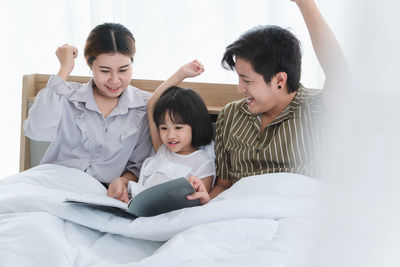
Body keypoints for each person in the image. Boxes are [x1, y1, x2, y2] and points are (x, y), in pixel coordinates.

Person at [187, 0, 348, 204]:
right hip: (235, 217)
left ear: (280, 80)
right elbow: (223, 185)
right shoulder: (230, 116)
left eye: (247, 80)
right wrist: (205, 200)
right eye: (238, 78)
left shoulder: (316, 111)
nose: (239, 89)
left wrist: (305, 4)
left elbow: (339, 73)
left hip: (294, 216)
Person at [23, 23, 153, 200]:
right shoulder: (66, 95)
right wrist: (64, 69)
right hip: (50, 186)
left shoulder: (144, 107)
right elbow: (36, 131)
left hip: (100, 195)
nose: (115, 80)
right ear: (89, 64)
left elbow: (138, 165)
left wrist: (122, 182)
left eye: (123, 70)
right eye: (105, 71)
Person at [111, 60, 215, 202]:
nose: (170, 135)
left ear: (195, 125)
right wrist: (181, 73)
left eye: (178, 128)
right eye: (164, 128)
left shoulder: (203, 162)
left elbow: (200, 200)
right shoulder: (162, 149)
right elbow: (153, 104)